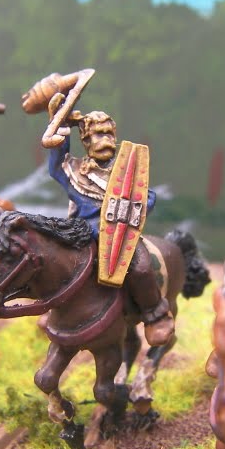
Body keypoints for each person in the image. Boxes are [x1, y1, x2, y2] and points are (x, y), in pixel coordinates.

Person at [45, 106, 174, 347]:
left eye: (108, 133)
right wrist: (61, 125)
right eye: (97, 134)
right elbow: (56, 164)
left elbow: (146, 195)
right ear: (85, 140)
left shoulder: (127, 168)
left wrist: (133, 208)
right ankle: (53, 308)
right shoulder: (75, 171)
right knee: (54, 260)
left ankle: (154, 314)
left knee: (141, 267)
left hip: (120, 235)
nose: (105, 139)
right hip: (81, 233)